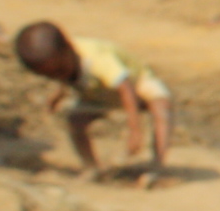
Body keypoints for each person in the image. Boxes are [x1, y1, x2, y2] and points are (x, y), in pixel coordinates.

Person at [13, 22, 173, 187]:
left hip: (137, 85)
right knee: (75, 120)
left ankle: (156, 168)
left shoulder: (96, 58)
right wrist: (59, 94)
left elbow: (126, 87)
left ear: (69, 48)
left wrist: (134, 130)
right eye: (51, 75)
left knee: (161, 106)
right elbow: (68, 76)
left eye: (60, 70)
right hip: (98, 94)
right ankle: (91, 167)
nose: (59, 75)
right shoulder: (62, 58)